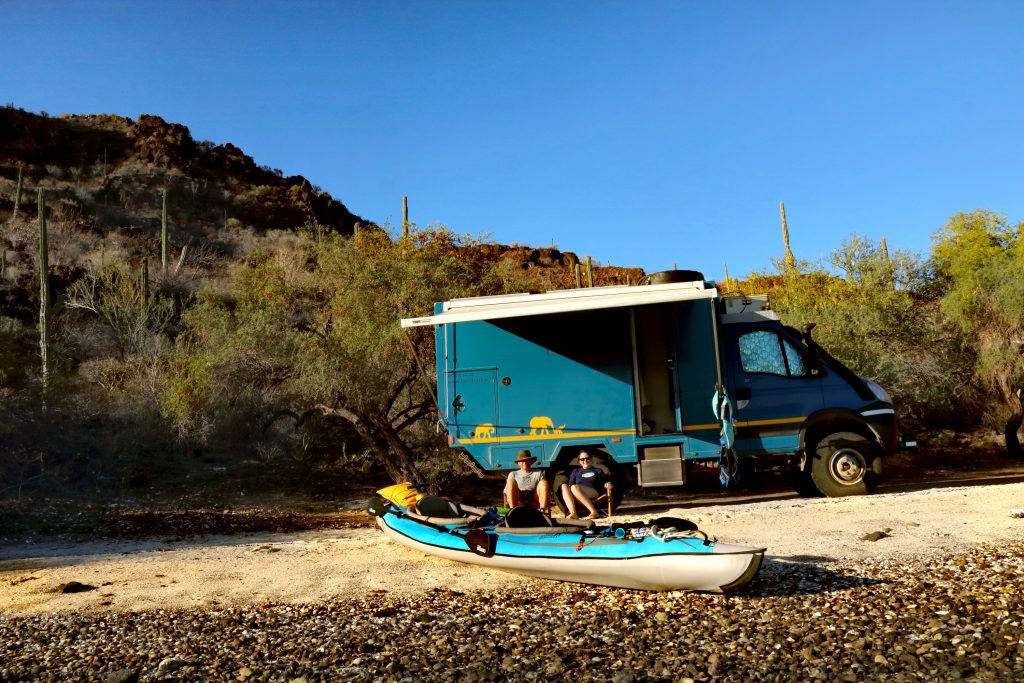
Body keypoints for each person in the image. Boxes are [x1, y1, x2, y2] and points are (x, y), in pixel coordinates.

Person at [560, 450, 610, 520]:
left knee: (574, 487)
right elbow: (570, 484)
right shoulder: (576, 471)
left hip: (593, 491)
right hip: (577, 491)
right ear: (579, 461)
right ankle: (573, 513)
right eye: (582, 459)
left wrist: (608, 484)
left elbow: (604, 482)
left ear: (591, 459)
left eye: (587, 458)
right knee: (564, 486)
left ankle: (594, 512)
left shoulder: (597, 470)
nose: (585, 460)